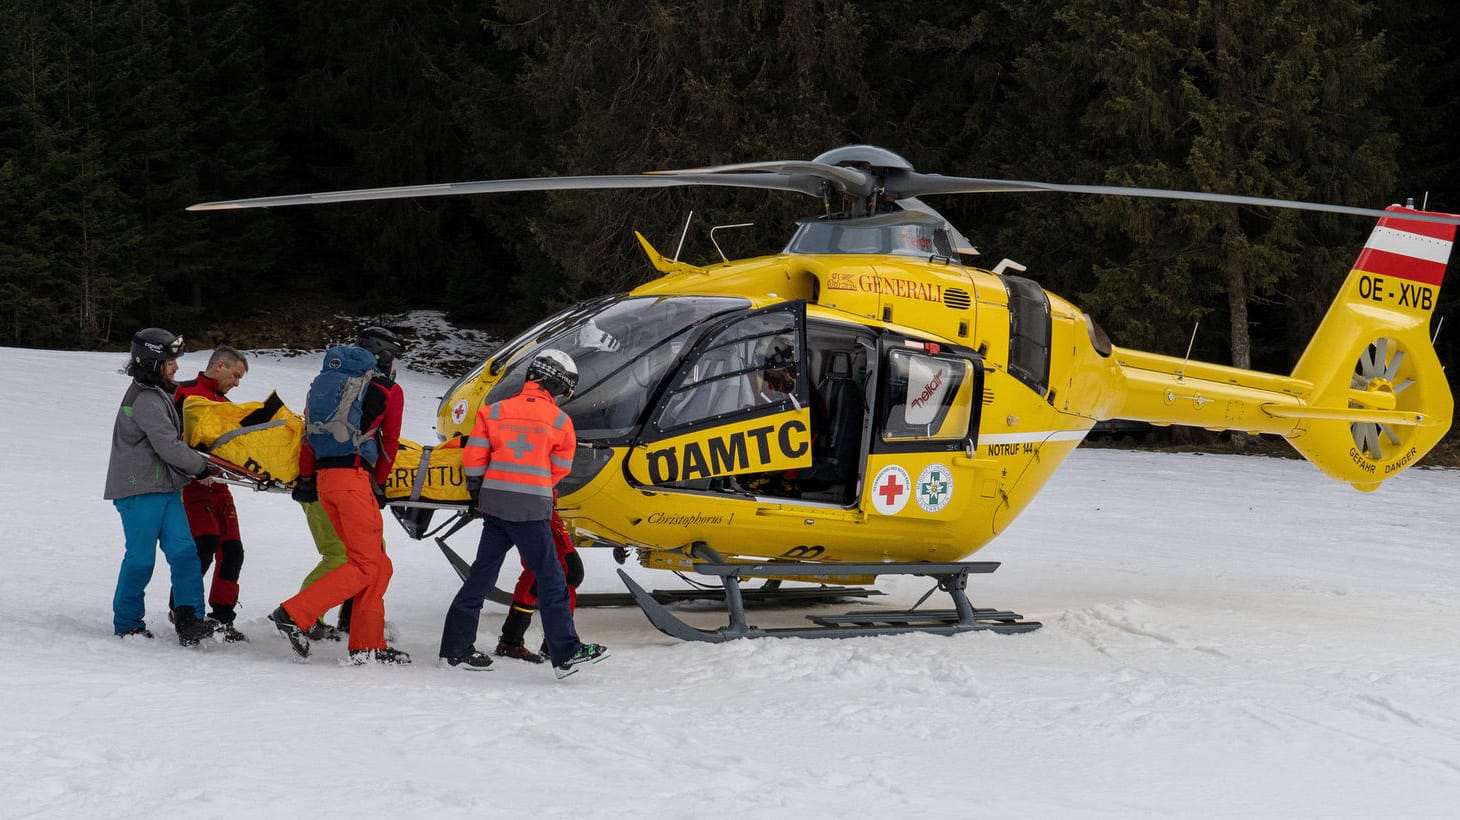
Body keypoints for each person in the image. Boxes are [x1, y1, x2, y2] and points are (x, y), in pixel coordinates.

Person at [439, 349, 608, 678]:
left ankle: (455, 650)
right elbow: (559, 468)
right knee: (552, 578)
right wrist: (535, 481)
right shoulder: (560, 421)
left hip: (495, 505)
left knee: (481, 578)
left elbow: (474, 459)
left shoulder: (494, 410)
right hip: (531, 509)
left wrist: (480, 489)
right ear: (555, 386)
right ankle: (566, 653)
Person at [269, 327, 409, 664]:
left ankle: (366, 645)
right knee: (364, 564)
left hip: (325, 481)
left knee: (378, 564)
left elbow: (308, 436)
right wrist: (379, 484)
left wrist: (306, 477)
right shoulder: (388, 390)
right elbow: (388, 446)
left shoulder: (325, 384)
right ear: (386, 357)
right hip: (354, 480)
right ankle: (293, 613)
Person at [104, 327, 220, 646]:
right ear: (153, 362)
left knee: (185, 552)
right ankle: (128, 622)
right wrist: (201, 468)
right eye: (171, 361)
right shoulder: (145, 399)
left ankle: (190, 618)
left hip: (165, 488)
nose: (176, 366)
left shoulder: (157, 392)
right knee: (141, 558)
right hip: (138, 489)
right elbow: (168, 446)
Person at [171, 346, 251, 641]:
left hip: (220, 485)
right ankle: (180, 610)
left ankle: (222, 618)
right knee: (203, 546)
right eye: (236, 375)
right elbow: (167, 437)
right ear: (220, 365)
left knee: (233, 552)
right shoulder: (183, 391)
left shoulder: (226, 403)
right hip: (189, 484)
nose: (237, 382)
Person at [493, 507, 583, 663]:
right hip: (534, 504)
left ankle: (512, 640)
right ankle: (558, 643)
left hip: (540, 503)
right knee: (566, 570)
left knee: (538, 571)